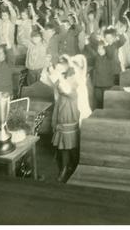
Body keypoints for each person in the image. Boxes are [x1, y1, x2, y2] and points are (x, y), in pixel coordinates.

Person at [47, 55, 81, 183]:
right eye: (67, 77)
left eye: (70, 78)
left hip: (71, 122)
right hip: (62, 122)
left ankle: (73, 166)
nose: (68, 80)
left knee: (71, 147)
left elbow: (63, 88)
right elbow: (57, 84)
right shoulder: (62, 89)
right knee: (64, 147)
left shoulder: (73, 91)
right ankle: (65, 168)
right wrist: (51, 67)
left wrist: (57, 75)